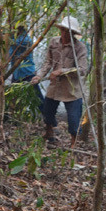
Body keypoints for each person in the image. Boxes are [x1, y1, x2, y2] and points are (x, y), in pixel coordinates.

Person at [30, 16, 88, 147]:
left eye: (68, 31)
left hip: (72, 90)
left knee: (74, 119)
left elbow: (82, 69)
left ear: (73, 33)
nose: (65, 33)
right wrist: (39, 76)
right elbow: (48, 62)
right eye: (63, 30)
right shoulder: (54, 42)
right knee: (47, 112)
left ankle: (73, 144)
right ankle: (49, 133)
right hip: (55, 87)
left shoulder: (80, 48)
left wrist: (62, 71)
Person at [9, 25, 43, 103]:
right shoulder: (13, 39)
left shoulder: (25, 39)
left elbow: (21, 43)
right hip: (16, 73)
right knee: (13, 97)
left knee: (37, 97)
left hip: (27, 72)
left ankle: (44, 110)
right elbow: (10, 55)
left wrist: (8, 39)